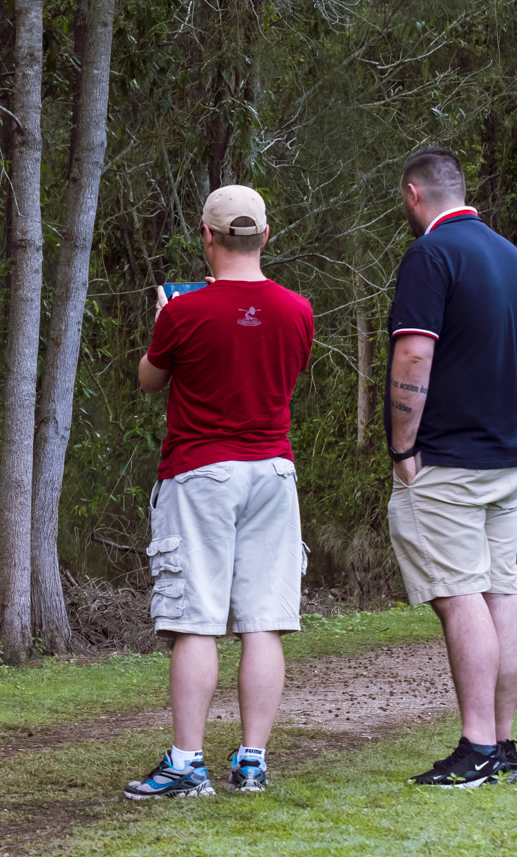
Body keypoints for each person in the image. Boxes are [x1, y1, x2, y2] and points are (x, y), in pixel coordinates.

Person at [124, 185, 314, 799]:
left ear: (207, 237)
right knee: (263, 622)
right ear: (265, 235)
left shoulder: (183, 312)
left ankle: (186, 762)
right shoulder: (297, 310)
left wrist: (162, 321)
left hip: (202, 472)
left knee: (197, 621)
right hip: (273, 473)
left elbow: (149, 380)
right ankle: (252, 761)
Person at [385, 146, 517, 788]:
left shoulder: (431, 254)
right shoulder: (511, 256)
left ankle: (475, 748)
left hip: (451, 459)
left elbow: (414, 359)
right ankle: (501, 746)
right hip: (508, 455)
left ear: (415, 195)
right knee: (500, 589)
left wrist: (403, 448)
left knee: (459, 595)